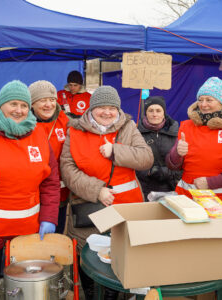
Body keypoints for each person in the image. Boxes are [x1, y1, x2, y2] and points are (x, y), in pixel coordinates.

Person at [0, 80, 60, 300]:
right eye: (13, 104)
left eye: (24, 105)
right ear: (0, 105)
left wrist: (49, 217)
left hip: (27, 226)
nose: (19, 110)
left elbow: (51, 182)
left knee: (23, 281)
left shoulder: (38, 135)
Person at [60, 85, 154, 300]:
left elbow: (146, 158)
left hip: (127, 209)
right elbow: (67, 169)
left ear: (118, 110)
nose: (107, 112)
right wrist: (97, 190)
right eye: (101, 107)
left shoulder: (128, 127)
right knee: (89, 253)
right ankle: (93, 294)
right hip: (89, 207)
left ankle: (117, 294)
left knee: (121, 255)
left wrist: (116, 151)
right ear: (91, 109)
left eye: (112, 108)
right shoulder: (74, 130)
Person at [166, 76, 222, 215]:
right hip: (188, 200)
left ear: (221, 102)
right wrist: (177, 153)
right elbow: (172, 165)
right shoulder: (187, 126)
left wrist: (212, 182)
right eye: (200, 100)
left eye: (209, 100)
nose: (203, 104)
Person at [29, 80, 70, 234]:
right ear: (32, 104)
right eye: (42, 100)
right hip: (31, 194)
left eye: (52, 100)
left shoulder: (63, 120)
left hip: (58, 194)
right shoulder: (24, 123)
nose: (49, 105)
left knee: (55, 237)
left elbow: (83, 126)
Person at [136, 96, 181, 199]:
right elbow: (132, 160)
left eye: (158, 110)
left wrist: (165, 173)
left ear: (163, 113)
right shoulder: (136, 132)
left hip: (171, 187)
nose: (154, 114)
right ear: (145, 113)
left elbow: (182, 162)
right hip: (144, 188)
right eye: (150, 110)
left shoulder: (176, 132)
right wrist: (148, 172)